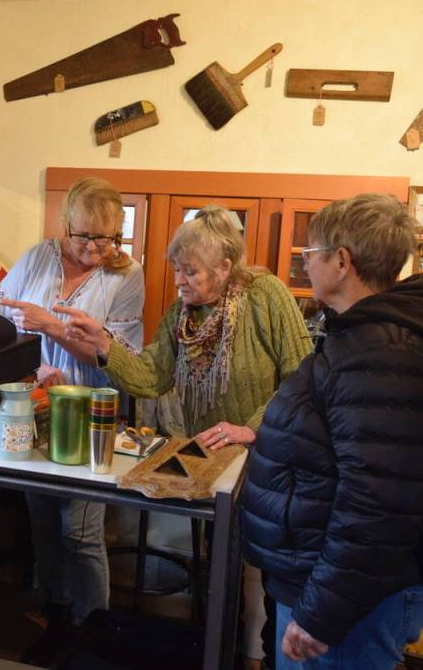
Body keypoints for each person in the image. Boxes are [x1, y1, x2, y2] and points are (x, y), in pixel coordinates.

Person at [59, 205, 313, 668]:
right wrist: (103, 343)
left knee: (274, 574)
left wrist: (251, 427)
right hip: (213, 468)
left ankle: (265, 658)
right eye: (176, 268)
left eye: (190, 270)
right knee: (219, 568)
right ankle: (218, 651)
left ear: (225, 267)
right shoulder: (182, 312)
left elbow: (300, 376)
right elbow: (151, 376)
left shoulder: (265, 295)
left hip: (270, 458)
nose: (179, 279)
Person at [240, 193, 423, 669]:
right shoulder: (358, 339)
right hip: (328, 585)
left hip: (350, 602)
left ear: (341, 261)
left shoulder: (384, 356)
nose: (304, 265)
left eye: (308, 253)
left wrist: (321, 614)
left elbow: (378, 507)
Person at [0, 177, 144, 664]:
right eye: (85, 237)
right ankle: (55, 618)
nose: (96, 248)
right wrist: (33, 364)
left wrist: (53, 326)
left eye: (108, 237)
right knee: (43, 521)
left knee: (79, 528)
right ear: (64, 225)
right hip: (35, 404)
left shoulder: (126, 275)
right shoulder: (37, 257)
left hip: (91, 413)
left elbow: (120, 356)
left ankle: (93, 628)